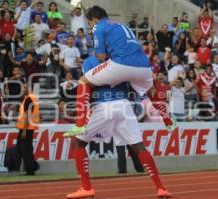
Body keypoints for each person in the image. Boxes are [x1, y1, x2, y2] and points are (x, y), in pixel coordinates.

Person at [65, 56, 172, 198]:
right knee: (139, 147)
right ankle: (160, 187)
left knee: (78, 143)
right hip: (124, 105)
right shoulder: (125, 59)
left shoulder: (89, 61)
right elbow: (149, 84)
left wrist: (82, 113)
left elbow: (88, 85)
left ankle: (86, 187)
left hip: (103, 104)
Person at [66, 6, 176, 136]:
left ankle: (80, 125)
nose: (90, 26)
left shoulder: (98, 27)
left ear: (94, 19)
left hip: (121, 64)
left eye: (89, 23)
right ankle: (168, 121)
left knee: (83, 82)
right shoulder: (121, 25)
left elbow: (101, 56)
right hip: (143, 65)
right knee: (151, 88)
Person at [16, 84, 40, 175]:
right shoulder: (29, 99)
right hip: (25, 127)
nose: (23, 89)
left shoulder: (29, 99)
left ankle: (30, 169)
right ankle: (32, 166)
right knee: (21, 149)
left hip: (27, 128)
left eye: (25, 87)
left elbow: (28, 115)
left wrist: (25, 130)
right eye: (23, 87)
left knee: (25, 150)